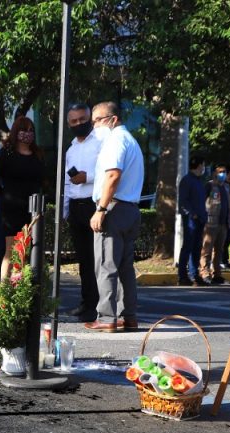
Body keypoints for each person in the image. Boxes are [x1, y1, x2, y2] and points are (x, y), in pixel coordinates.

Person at [84, 101, 145, 333]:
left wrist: (100, 209)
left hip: (114, 208)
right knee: (124, 268)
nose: (94, 126)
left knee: (106, 265)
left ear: (113, 119)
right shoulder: (131, 141)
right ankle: (128, 316)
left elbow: (112, 175)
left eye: (97, 121)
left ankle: (107, 317)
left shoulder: (115, 141)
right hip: (130, 209)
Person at [0, 115, 48, 282]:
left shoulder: (38, 154)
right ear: (16, 132)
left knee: (30, 250)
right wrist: (3, 195)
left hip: (33, 209)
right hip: (11, 209)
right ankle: (5, 292)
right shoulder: (6, 154)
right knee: (11, 250)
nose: (27, 134)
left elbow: (43, 180)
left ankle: (26, 290)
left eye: (30, 131)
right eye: (23, 130)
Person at [61, 103, 102, 320]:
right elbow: (68, 182)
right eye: (74, 121)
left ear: (90, 119)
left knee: (98, 259)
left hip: (94, 203)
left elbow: (109, 171)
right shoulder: (71, 149)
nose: (79, 124)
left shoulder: (100, 142)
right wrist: (65, 209)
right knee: (84, 260)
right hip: (76, 206)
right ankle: (87, 303)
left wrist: (88, 177)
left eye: (82, 120)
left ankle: (100, 306)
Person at [176, 156, 207, 286]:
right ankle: (182, 276)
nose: (204, 168)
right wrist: (192, 214)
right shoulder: (186, 180)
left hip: (200, 219)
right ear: (199, 165)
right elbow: (183, 202)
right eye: (203, 165)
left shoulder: (199, 181)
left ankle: (195, 275)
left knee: (196, 248)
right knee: (188, 247)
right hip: (191, 221)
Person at [200, 164, 230, 285]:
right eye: (220, 172)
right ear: (215, 173)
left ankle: (217, 275)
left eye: (224, 172)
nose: (223, 174)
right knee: (207, 249)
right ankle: (204, 272)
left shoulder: (227, 187)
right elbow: (202, 201)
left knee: (219, 251)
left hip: (223, 223)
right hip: (211, 223)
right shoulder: (209, 185)